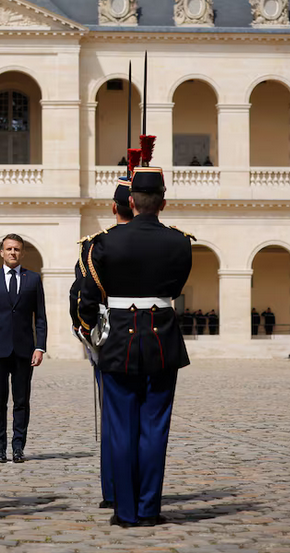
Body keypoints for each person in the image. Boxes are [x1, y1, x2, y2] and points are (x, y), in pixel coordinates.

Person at [78, 166, 193, 528]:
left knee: (121, 428)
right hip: (162, 338)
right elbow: (175, 289)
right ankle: (148, 508)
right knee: (155, 428)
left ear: (130, 201)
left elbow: (87, 299)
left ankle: (126, 511)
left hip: (118, 341)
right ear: (163, 203)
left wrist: (92, 334)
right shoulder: (179, 242)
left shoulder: (102, 243)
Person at [69, 177, 134, 509]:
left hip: (110, 339)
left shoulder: (96, 246)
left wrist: (86, 331)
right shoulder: (169, 240)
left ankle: (113, 491)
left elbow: (80, 294)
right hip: (155, 338)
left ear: (114, 207)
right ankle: (141, 492)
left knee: (113, 417)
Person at [0, 234, 47, 464]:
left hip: (24, 350)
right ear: (1, 252)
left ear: (22, 252)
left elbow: (41, 317)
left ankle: (18, 447)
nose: (12, 252)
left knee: (21, 401)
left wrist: (40, 347)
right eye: (9, 249)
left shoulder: (33, 279)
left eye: (16, 249)